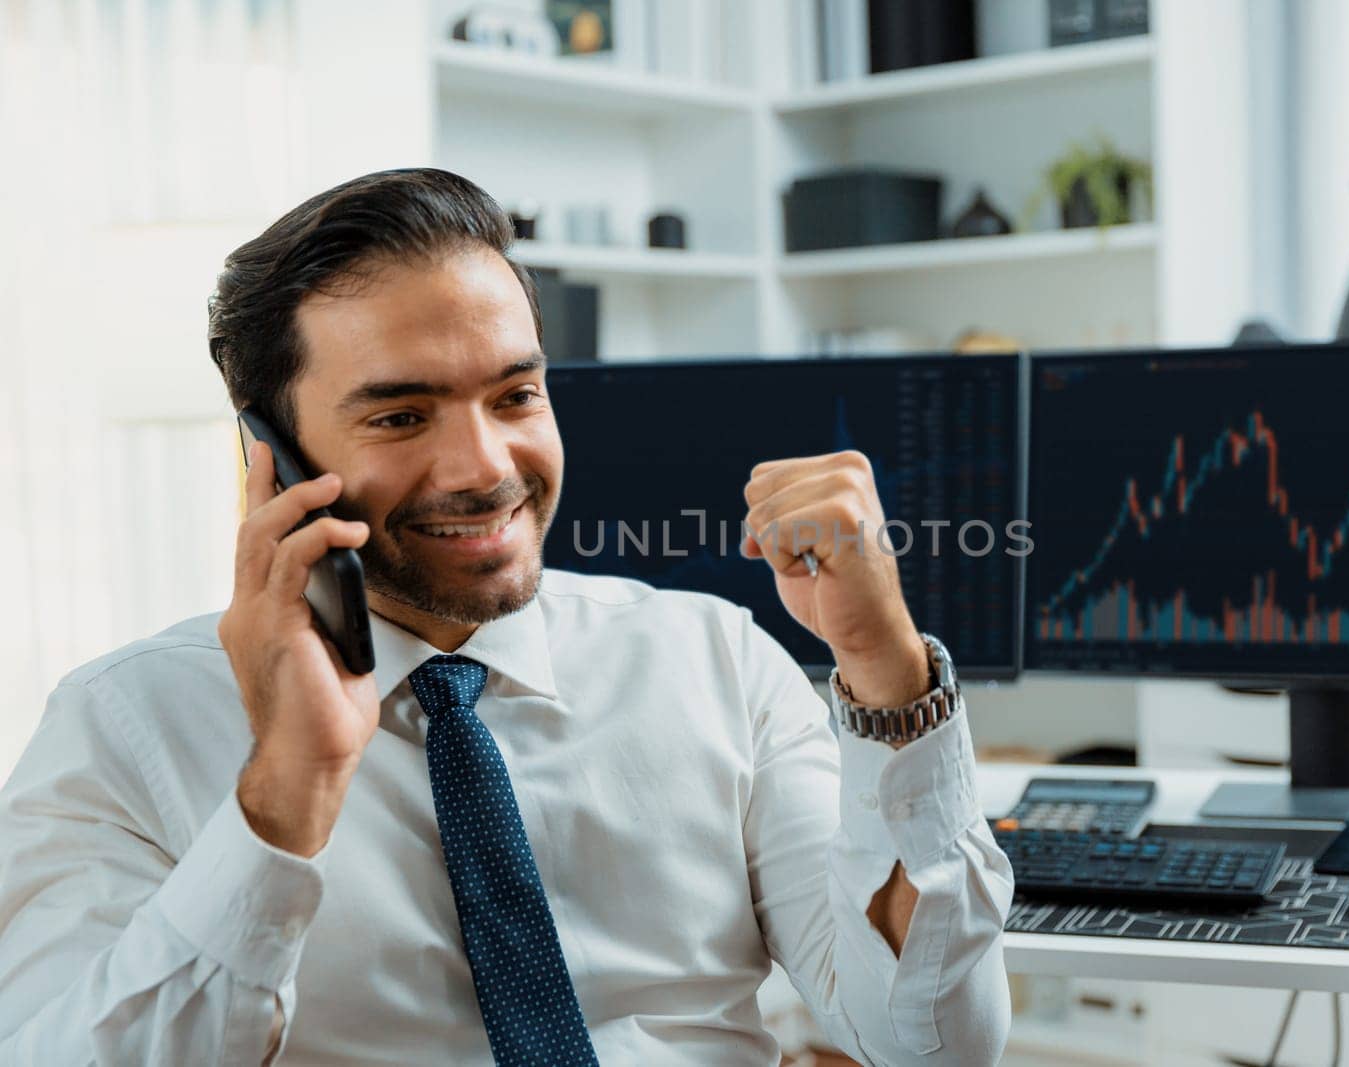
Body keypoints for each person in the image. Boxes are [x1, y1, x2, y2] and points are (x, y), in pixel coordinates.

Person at [0, 168, 1013, 1065]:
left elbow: (931, 1043)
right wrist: (284, 796)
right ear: (269, 456)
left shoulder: (713, 659)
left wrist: (884, 666)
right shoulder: (123, 724)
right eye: (400, 415)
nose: (486, 468)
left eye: (515, 394)